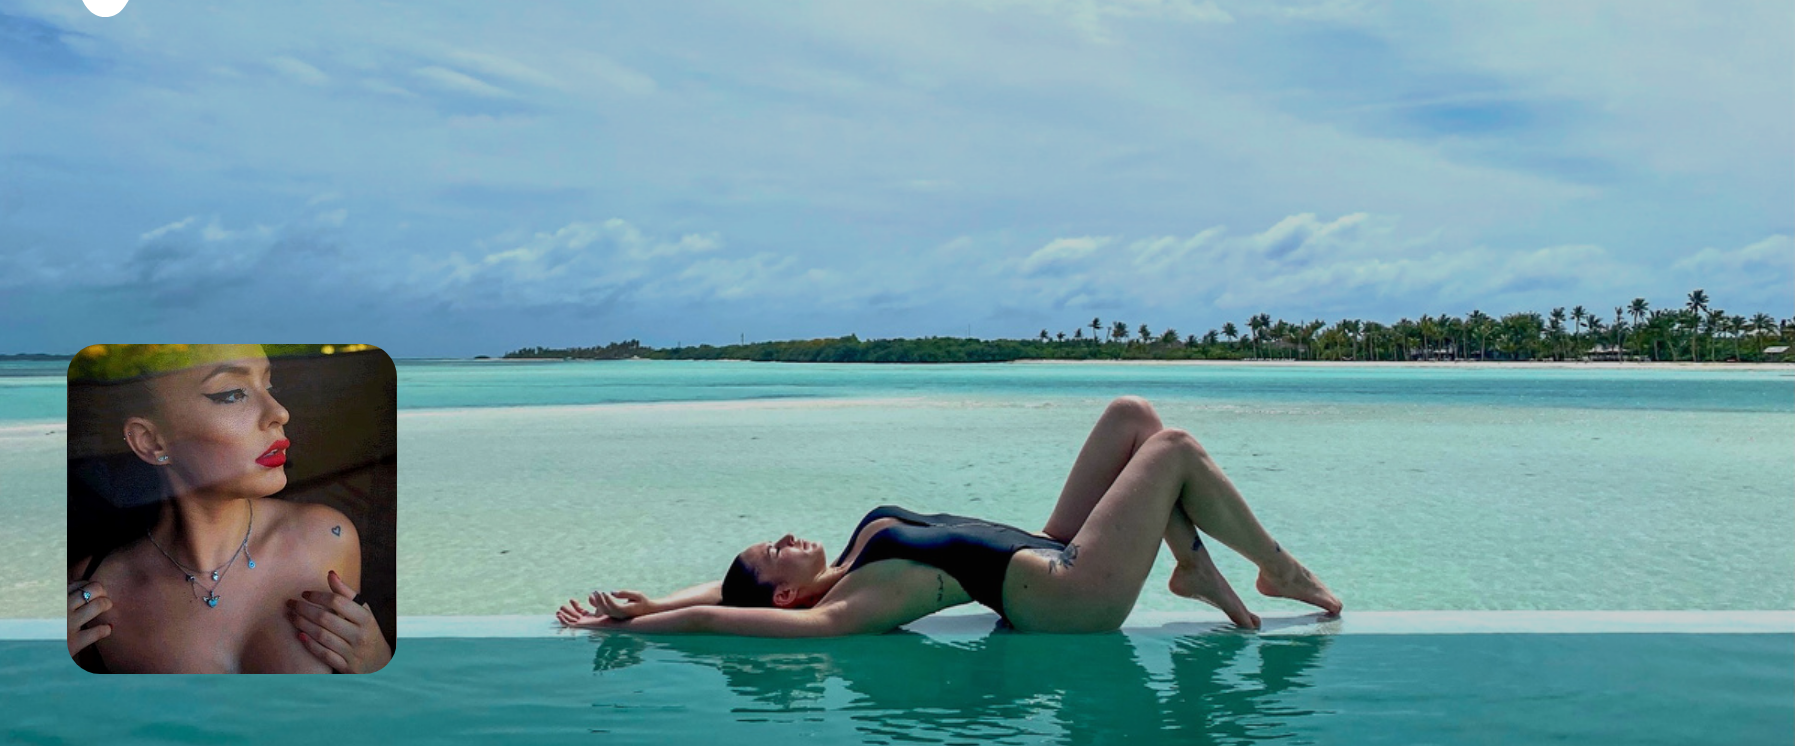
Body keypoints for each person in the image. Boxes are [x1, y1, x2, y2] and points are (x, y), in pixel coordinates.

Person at [556, 396, 1340, 636]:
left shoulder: (855, 548)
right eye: (777, 550)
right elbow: (720, 617)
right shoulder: (847, 605)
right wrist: (628, 629)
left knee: (1131, 416)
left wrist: (652, 598)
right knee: (1172, 448)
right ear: (786, 593)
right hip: (1072, 595)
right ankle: (1276, 568)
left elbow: (725, 590)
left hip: (1048, 546)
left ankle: (1194, 565)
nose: (788, 536)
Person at [67, 344, 392, 673]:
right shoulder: (94, 594)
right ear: (151, 441)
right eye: (232, 394)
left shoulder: (329, 539)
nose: (279, 413)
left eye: (269, 386)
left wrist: (378, 664)